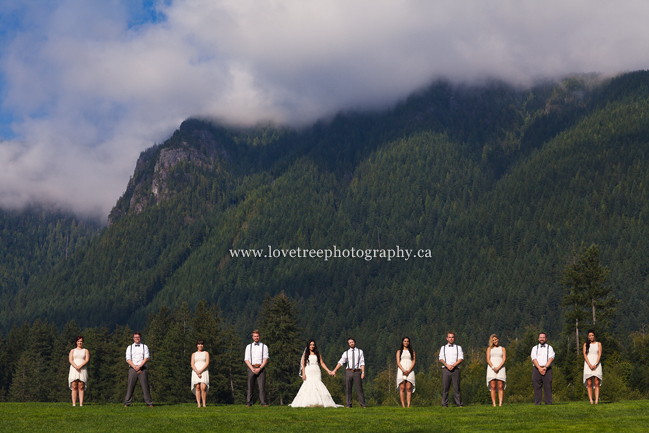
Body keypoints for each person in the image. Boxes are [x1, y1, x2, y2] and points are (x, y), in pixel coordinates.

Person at [289, 340, 341, 408]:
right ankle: (308, 402)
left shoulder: (317, 354)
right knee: (308, 385)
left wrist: (328, 371)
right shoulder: (305, 354)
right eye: (311, 345)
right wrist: (303, 373)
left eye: (313, 345)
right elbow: (303, 364)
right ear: (308, 345)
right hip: (309, 371)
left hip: (316, 370)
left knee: (318, 385)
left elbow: (322, 363)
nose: (312, 346)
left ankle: (320, 402)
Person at [331, 338, 366, 408]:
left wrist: (363, 372)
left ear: (354, 342)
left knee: (359, 389)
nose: (351, 343)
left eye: (352, 342)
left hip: (357, 371)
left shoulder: (360, 351)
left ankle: (363, 405)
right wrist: (335, 370)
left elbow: (362, 362)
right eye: (350, 343)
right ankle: (348, 404)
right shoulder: (346, 353)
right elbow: (341, 362)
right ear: (348, 344)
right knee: (348, 389)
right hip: (349, 371)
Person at [124, 331, 153, 407]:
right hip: (132, 368)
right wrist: (135, 367)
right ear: (133, 338)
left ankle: (149, 403)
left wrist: (139, 367)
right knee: (130, 386)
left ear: (140, 338)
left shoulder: (145, 347)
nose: (137, 339)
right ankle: (127, 403)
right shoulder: (129, 347)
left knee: (145, 387)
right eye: (136, 337)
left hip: (142, 368)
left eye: (138, 337)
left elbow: (146, 358)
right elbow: (128, 359)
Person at [244, 329, 269, 407]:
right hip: (251, 367)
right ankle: (249, 403)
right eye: (255, 336)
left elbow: (265, 359)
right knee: (250, 387)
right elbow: (246, 359)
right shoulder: (249, 347)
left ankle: (263, 403)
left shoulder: (264, 346)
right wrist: (252, 369)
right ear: (252, 337)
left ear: (259, 336)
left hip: (261, 368)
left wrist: (260, 368)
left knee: (262, 388)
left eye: (257, 336)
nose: (256, 338)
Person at [439, 332, 463, 407]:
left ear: (454, 338)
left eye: (452, 337)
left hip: (455, 369)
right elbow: (441, 358)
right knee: (445, 388)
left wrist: (453, 365)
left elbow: (461, 358)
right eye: (449, 337)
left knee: (457, 388)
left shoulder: (458, 347)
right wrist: (447, 365)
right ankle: (444, 404)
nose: (451, 338)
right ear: (447, 338)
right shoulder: (443, 348)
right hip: (446, 369)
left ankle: (459, 404)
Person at [531, 332, 555, 405]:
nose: (542, 339)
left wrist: (545, 368)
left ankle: (548, 403)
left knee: (548, 386)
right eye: (540, 337)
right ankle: (538, 403)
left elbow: (551, 357)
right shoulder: (534, 348)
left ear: (546, 339)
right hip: (536, 368)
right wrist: (539, 368)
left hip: (547, 368)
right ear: (538, 339)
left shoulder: (550, 348)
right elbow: (533, 358)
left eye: (543, 337)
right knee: (536, 386)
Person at [68, 335, 89, 407]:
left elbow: (87, 360)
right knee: (74, 386)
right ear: (76, 342)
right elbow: (70, 360)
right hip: (74, 369)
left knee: (81, 386)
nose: (80, 343)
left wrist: (80, 366)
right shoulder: (72, 350)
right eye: (78, 341)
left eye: (81, 341)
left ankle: (81, 404)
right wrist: (76, 366)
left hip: (82, 369)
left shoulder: (85, 350)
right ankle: (74, 404)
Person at [582, 329, 602, 404]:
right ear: (588, 336)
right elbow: (585, 355)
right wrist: (590, 364)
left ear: (594, 336)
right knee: (589, 383)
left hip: (597, 364)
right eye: (590, 336)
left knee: (596, 382)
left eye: (592, 335)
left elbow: (599, 354)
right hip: (588, 364)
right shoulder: (585, 345)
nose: (591, 337)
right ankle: (591, 400)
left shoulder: (598, 344)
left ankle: (596, 400)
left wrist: (596, 364)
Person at [486, 334, 506, 407]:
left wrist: (498, 367)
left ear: (498, 339)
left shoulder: (502, 348)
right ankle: (494, 404)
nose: (495, 341)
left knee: (500, 386)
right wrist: (493, 367)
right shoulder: (489, 349)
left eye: (496, 339)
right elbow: (488, 359)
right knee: (493, 387)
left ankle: (500, 403)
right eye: (493, 340)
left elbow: (504, 359)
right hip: (492, 368)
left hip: (500, 368)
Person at [396, 337, 416, 408]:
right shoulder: (399, 351)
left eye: (407, 341)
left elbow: (413, 361)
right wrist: (403, 370)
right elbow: (398, 362)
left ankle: (408, 406)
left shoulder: (412, 351)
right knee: (402, 388)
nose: (406, 342)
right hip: (401, 370)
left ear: (409, 342)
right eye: (405, 341)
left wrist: (409, 370)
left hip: (410, 370)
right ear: (402, 342)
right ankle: (403, 406)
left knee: (409, 388)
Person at [191, 340, 210, 408]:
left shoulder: (206, 353)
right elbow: (192, 364)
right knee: (197, 387)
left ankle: (204, 404)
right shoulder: (194, 354)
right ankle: (199, 404)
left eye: (201, 344)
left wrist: (201, 371)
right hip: (195, 371)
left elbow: (207, 363)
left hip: (204, 371)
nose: (200, 345)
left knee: (203, 387)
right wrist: (197, 371)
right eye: (199, 344)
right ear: (197, 345)